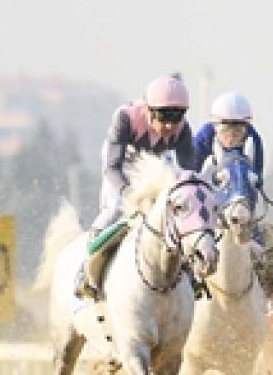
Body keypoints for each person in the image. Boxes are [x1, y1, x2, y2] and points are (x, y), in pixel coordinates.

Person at [75, 74, 197, 300]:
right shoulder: (125, 118)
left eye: (177, 117)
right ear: (149, 111)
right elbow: (112, 167)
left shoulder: (183, 129)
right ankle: (84, 270)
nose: (170, 126)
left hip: (154, 168)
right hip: (122, 168)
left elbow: (189, 173)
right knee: (114, 211)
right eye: (164, 117)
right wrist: (130, 195)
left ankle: (190, 275)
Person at [194, 91, 266, 179]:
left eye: (237, 132)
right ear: (215, 127)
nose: (230, 139)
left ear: (246, 129)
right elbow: (191, 173)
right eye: (225, 132)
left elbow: (257, 179)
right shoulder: (203, 139)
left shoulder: (254, 139)